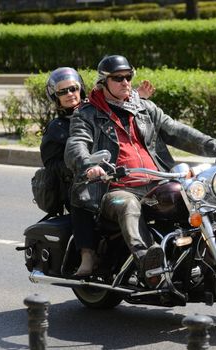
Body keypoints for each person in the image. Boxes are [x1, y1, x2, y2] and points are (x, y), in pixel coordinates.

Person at [64, 55, 216, 287]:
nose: (126, 82)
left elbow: (177, 131)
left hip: (158, 183)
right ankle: (148, 261)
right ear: (103, 82)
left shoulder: (144, 108)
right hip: (115, 187)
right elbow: (76, 145)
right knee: (127, 204)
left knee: (201, 193)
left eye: (128, 77)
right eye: (118, 78)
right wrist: (89, 165)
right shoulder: (86, 114)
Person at [40, 66, 155, 277]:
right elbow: (51, 164)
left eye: (73, 89)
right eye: (62, 92)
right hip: (77, 180)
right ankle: (87, 255)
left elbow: (116, 101)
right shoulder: (56, 128)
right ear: (55, 97)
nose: (69, 94)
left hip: (109, 176)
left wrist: (138, 97)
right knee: (82, 192)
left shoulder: (92, 111)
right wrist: (80, 167)